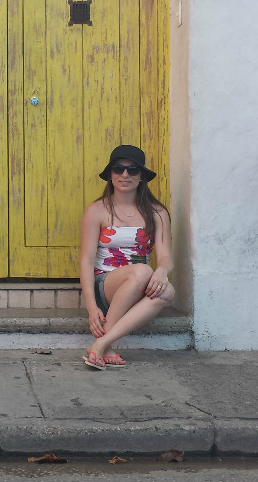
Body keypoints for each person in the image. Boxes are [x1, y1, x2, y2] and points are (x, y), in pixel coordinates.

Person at [79, 144, 174, 369]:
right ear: (110, 175)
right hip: (106, 284)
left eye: (132, 170)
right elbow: (86, 260)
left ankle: (101, 344)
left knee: (168, 290)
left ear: (141, 177)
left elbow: (165, 256)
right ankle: (104, 346)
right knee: (142, 270)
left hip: (139, 283)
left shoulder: (157, 212)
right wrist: (92, 307)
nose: (124, 175)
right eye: (118, 169)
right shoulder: (97, 210)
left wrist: (162, 271)